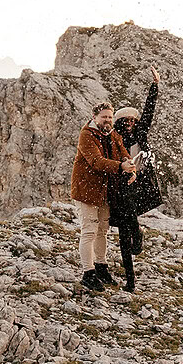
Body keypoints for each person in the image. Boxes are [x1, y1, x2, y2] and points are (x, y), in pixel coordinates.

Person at [70, 102, 137, 292]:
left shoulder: (113, 134)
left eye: (110, 117)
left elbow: (124, 153)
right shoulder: (87, 135)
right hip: (86, 191)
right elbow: (96, 162)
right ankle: (88, 273)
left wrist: (130, 166)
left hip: (105, 191)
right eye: (104, 117)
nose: (108, 120)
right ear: (94, 117)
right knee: (89, 231)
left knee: (102, 231)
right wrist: (120, 167)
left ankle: (101, 266)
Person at [110, 67, 164, 292]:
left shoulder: (140, 133)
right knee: (124, 232)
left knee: (128, 221)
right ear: (120, 122)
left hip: (139, 184)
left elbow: (149, 111)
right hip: (121, 186)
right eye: (127, 120)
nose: (131, 122)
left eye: (134, 119)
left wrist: (155, 86)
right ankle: (130, 280)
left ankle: (137, 234)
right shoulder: (114, 139)